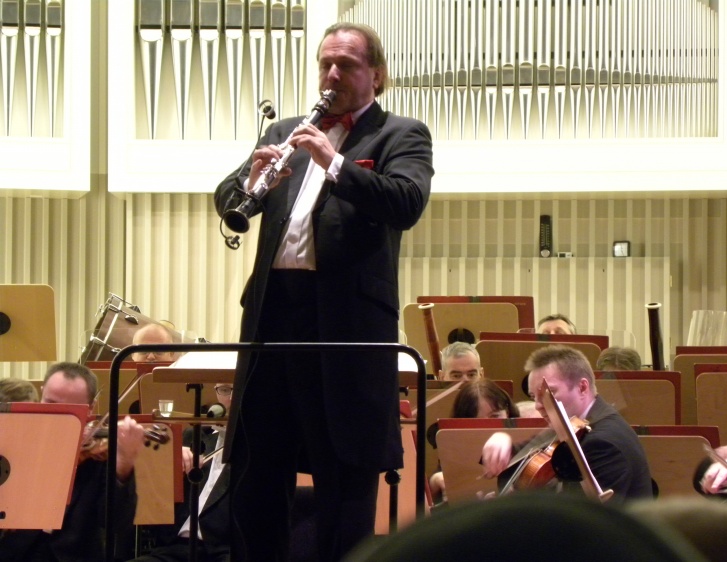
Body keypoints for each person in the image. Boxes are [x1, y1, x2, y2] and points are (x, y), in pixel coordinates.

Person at [213, 21, 433, 562]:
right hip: (273, 318)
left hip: (345, 328)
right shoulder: (286, 129)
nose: (332, 75)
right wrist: (251, 182)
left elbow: (405, 202)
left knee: (345, 477)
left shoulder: (400, 133)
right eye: (325, 64)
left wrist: (333, 161)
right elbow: (226, 196)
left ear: (376, 75)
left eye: (347, 65)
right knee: (257, 472)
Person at [0, 362, 145, 561]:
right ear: (42, 392)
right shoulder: (14, 437)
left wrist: (124, 463)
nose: (59, 416)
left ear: (91, 407)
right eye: (50, 403)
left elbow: (116, 522)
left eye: (71, 410)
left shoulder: (100, 452)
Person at [481, 345, 653, 503]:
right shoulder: (572, 422)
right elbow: (524, 461)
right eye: (534, 396)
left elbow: (579, 519)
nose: (538, 406)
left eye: (549, 393)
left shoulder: (603, 443)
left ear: (582, 388)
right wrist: (501, 440)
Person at [129, 383, 232, 562]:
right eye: (224, 389)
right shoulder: (193, 436)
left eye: (238, 389)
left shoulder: (258, 447)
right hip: (176, 547)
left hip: (227, 550)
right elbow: (151, 504)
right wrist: (168, 464)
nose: (230, 398)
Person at [428, 379, 519, 501]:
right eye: (476, 420)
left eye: (495, 416)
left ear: (507, 413)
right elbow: (438, 477)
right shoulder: (454, 443)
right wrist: (436, 480)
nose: (487, 426)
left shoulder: (526, 439)